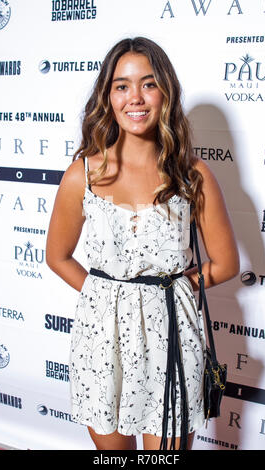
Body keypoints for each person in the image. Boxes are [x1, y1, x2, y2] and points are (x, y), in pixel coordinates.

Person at [46, 37, 239, 451]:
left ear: (165, 92)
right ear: (108, 96)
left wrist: (168, 291)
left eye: (148, 84)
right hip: (102, 339)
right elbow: (57, 256)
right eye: (122, 86)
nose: (135, 97)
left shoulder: (193, 175)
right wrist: (108, 297)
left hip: (173, 335)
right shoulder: (84, 174)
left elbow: (224, 264)